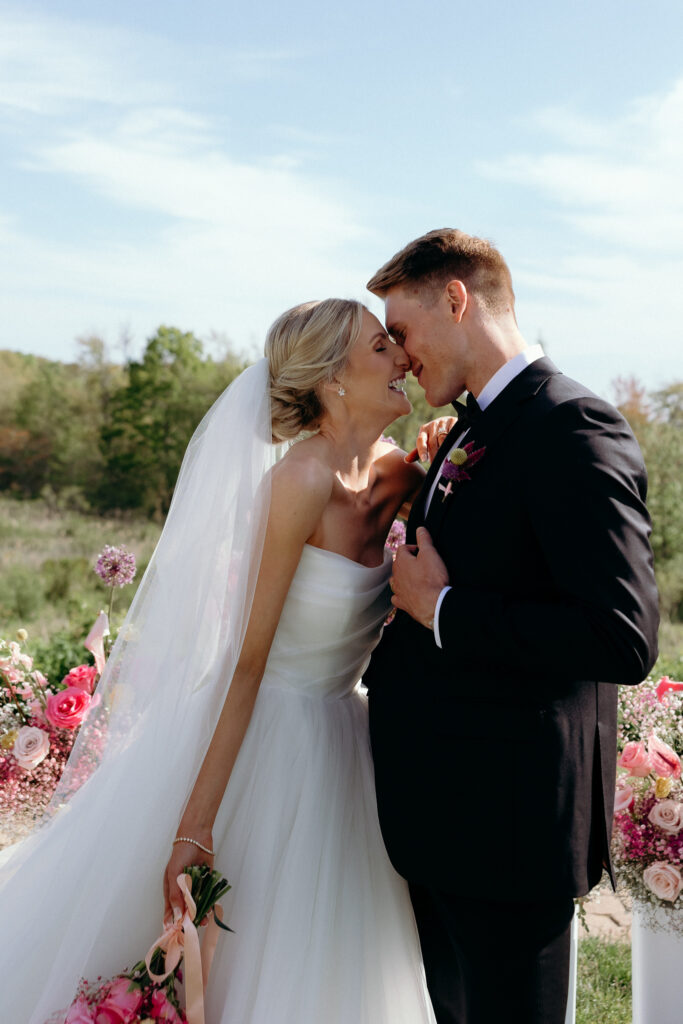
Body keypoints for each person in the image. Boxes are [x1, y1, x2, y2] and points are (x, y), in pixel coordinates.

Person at [0, 298, 448, 1024]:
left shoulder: (403, 475)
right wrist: (195, 825)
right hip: (262, 734)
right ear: (333, 377)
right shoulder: (298, 481)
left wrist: (440, 447)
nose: (401, 358)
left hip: (345, 743)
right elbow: (247, 661)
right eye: (379, 346)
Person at [363, 229, 660, 1024]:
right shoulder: (474, 425)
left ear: (455, 299)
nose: (398, 354)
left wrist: (445, 610)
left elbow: (621, 635)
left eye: (401, 330)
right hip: (445, 819)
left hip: (508, 830)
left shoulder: (571, 426)